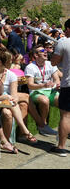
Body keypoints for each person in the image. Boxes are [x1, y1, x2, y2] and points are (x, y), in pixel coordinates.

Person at [0, 49, 38, 145]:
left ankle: (6, 142)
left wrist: (10, 98)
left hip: (5, 102)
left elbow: (14, 96)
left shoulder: (11, 75)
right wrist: (5, 97)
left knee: (7, 112)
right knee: (9, 99)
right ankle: (24, 130)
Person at [25, 45, 60, 135]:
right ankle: (43, 126)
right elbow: (30, 85)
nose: (45, 52)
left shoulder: (50, 64)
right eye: (42, 51)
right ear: (36, 55)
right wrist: (43, 85)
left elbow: (56, 79)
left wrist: (57, 84)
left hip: (51, 90)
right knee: (44, 100)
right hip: (36, 91)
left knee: (62, 101)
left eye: (45, 50)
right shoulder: (30, 67)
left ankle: (65, 126)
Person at [50, 18, 70, 157]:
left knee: (66, 115)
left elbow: (53, 62)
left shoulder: (63, 42)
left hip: (68, 84)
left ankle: (61, 147)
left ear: (68, 29)